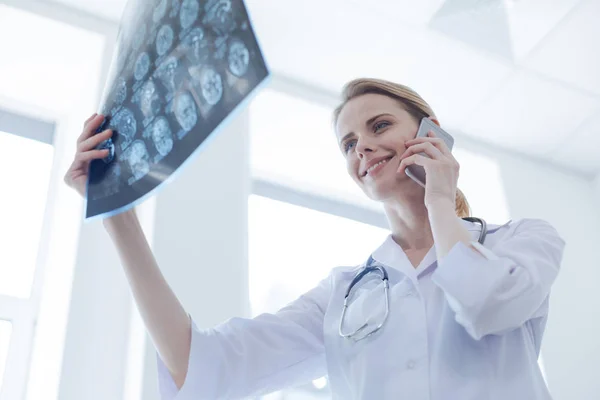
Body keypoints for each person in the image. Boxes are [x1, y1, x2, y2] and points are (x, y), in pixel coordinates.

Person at [64, 78, 565, 399]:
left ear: (433, 133)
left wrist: (439, 200)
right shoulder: (344, 295)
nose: (361, 147)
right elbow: (203, 366)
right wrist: (117, 215)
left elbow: (486, 304)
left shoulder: (521, 242)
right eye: (348, 143)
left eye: (380, 125)